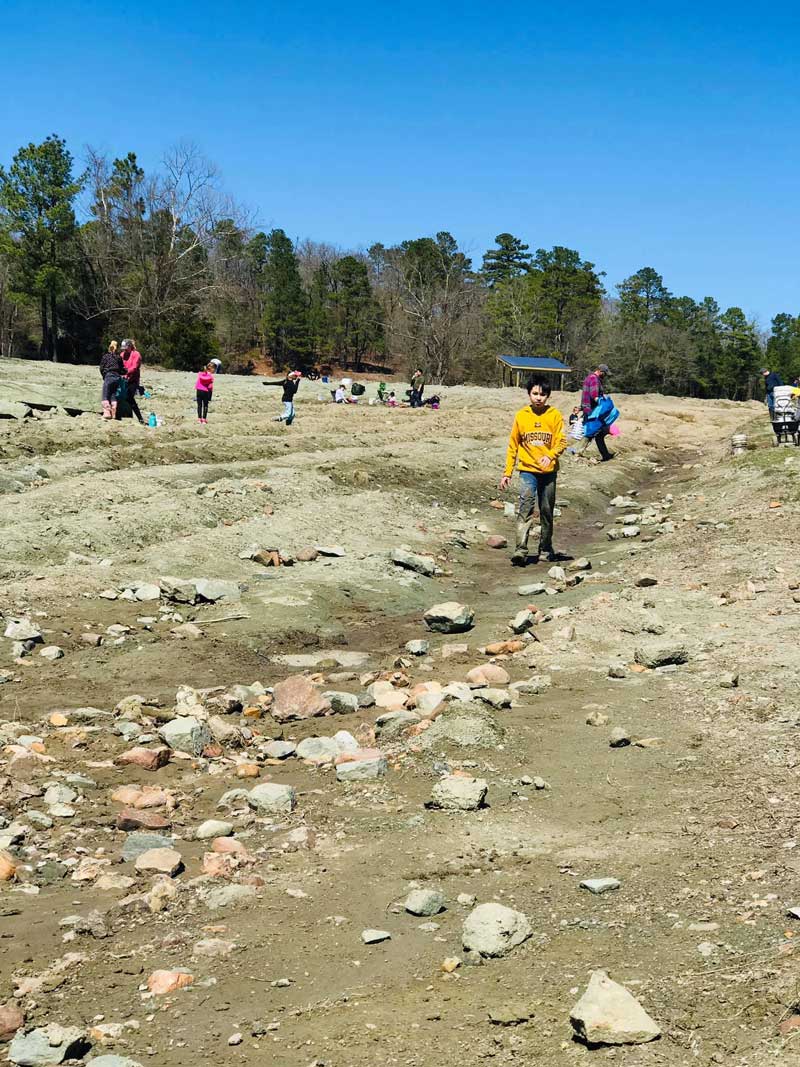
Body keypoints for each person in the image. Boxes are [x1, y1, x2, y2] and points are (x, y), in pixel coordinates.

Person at [500, 377, 567, 567]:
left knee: (546, 510)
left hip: (548, 472)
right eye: (535, 394)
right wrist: (507, 473)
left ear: (548, 396)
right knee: (525, 508)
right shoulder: (521, 416)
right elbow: (513, 446)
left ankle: (546, 549)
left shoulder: (554, 415)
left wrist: (551, 455)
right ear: (529, 394)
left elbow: (562, 441)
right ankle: (520, 549)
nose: (539, 398)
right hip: (527, 470)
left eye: (543, 394)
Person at [581, 363, 613, 461]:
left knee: (598, 433)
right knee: (591, 432)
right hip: (592, 410)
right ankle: (576, 451)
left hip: (588, 408)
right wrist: (601, 402)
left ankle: (605, 454)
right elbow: (594, 395)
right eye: (605, 373)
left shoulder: (590, 378)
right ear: (600, 371)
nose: (606, 376)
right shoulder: (594, 379)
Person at [120, 339, 144, 423]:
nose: (124, 350)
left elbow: (134, 367)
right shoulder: (122, 354)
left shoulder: (136, 354)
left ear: (130, 347)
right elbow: (120, 364)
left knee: (129, 397)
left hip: (133, 380)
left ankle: (139, 417)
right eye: (123, 349)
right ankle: (123, 414)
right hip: (123, 379)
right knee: (120, 396)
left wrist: (126, 372)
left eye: (126, 348)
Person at [99, 341, 124, 420]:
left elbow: (101, 368)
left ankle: (107, 413)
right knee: (113, 394)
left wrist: (104, 376)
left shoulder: (105, 356)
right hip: (117, 377)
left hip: (109, 375)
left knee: (105, 394)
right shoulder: (119, 357)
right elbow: (121, 369)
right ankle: (114, 413)